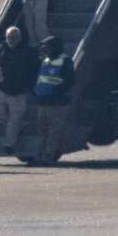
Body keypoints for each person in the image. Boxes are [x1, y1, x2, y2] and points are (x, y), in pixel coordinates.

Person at [0, 26, 39, 156]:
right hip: (2, 88)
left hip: (19, 91)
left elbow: (34, 70)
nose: (12, 40)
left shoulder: (28, 51)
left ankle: (9, 145)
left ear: (20, 38)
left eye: (14, 37)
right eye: (9, 37)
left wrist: (30, 86)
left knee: (14, 119)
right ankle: (17, 128)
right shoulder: (1, 49)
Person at [30, 36, 75, 167]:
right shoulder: (46, 60)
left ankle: (48, 156)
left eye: (47, 47)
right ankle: (39, 155)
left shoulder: (65, 61)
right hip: (43, 101)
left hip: (57, 103)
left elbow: (70, 80)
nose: (44, 49)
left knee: (54, 132)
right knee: (42, 131)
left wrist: (56, 91)